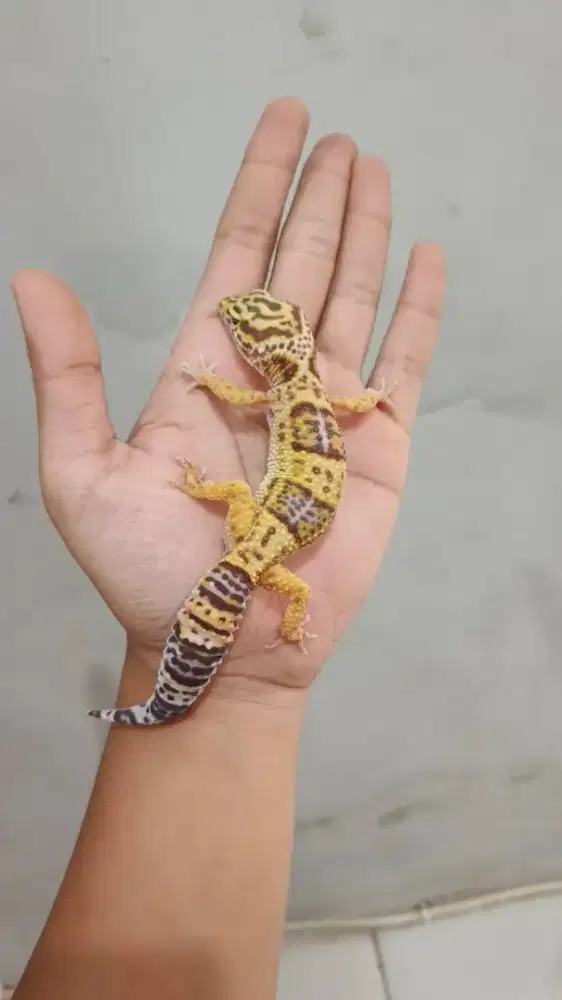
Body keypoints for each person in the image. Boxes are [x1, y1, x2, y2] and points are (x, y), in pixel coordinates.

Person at [10, 97, 445, 999]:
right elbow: (343, 407)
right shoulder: (310, 397)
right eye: (246, 330)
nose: (243, 339)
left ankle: (182, 687)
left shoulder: (286, 397)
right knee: (256, 538)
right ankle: (188, 682)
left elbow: (258, 417)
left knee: (244, 510)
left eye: (246, 335)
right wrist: (277, 627)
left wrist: (213, 402)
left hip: (274, 523)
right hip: (286, 521)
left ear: (263, 350)